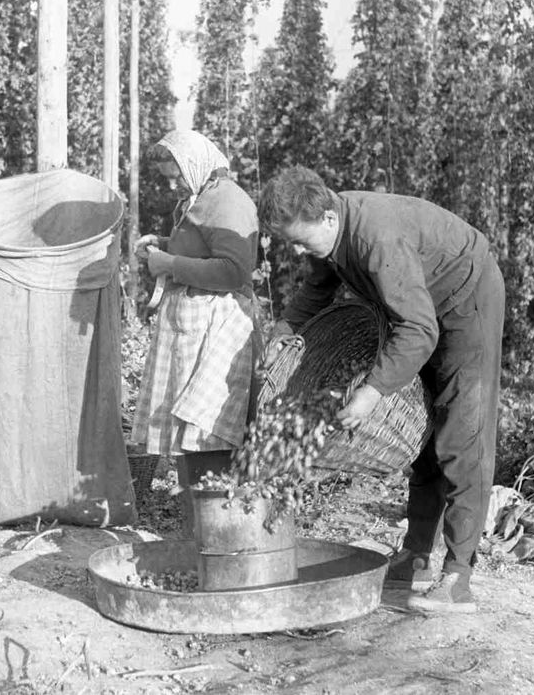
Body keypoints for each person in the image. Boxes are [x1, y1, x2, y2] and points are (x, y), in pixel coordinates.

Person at [259, 166, 505, 614]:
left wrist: (372, 392)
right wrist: (282, 334)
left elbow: (417, 330)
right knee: (425, 438)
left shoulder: (375, 239)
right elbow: (316, 293)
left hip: (466, 298)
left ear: (329, 218)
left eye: (300, 241)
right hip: (421, 311)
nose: (297, 251)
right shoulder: (327, 234)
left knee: (460, 434)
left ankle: (459, 575)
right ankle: (416, 558)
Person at [131, 130, 260, 530]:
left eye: (177, 174)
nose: (174, 184)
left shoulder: (229, 200)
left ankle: (219, 527)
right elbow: (201, 248)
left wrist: (168, 265)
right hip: (191, 325)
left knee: (208, 428)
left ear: (196, 163)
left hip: (218, 325)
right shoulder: (201, 198)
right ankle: (199, 528)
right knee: (190, 429)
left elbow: (234, 270)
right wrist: (164, 245)